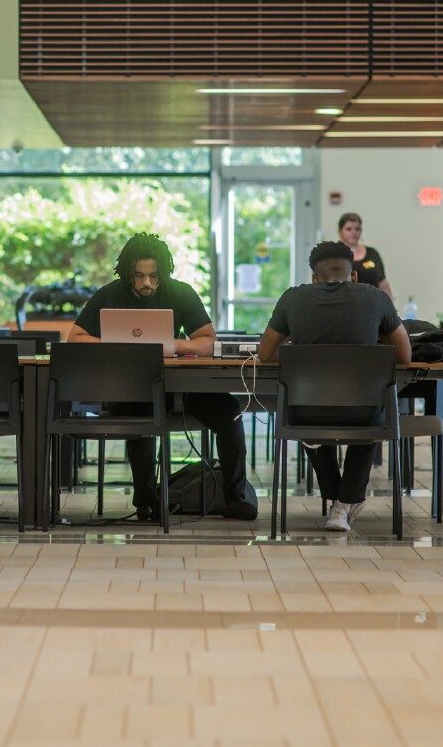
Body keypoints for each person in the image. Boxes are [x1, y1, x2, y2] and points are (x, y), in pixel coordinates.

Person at [67, 232, 257, 522]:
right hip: (130, 390)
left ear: (163, 272)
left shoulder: (180, 292)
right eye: (139, 276)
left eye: (153, 276)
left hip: (179, 388)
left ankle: (235, 497)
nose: (146, 283)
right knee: (140, 413)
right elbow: (75, 338)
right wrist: (115, 346)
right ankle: (145, 499)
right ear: (127, 271)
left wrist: (172, 346)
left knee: (230, 410)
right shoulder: (108, 294)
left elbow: (207, 340)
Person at [257, 240, 411, 532]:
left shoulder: (292, 298)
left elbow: (265, 354)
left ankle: (337, 498)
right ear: (353, 275)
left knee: (307, 418)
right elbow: (405, 355)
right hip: (362, 414)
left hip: (305, 412)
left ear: (314, 278)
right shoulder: (376, 298)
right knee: (373, 415)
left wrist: (298, 353)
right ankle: (343, 504)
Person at [338, 211, 393, 297]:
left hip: (373, 305)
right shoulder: (335, 255)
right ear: (340, 231)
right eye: (349, 229)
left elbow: (383, 283)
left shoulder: (372, 253)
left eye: (357, 229)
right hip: (346, 305)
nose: (353, 232)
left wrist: (390, 306)